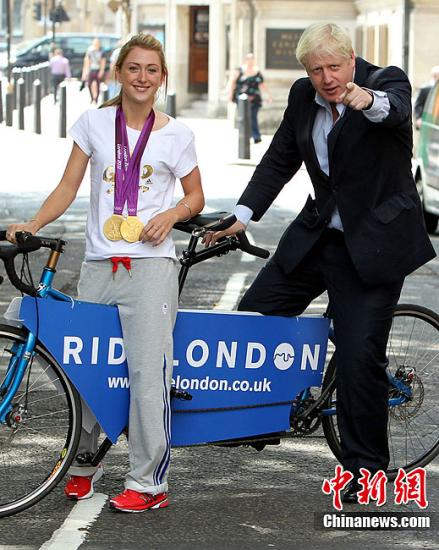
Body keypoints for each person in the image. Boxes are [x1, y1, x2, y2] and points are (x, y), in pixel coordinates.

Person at [206, 22, 435, 503]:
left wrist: (365, 101)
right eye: (316, 70)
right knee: (255, 316)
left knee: (358, 357)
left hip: (373, 245)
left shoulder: (386, 80)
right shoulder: (302, 95)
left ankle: (367, 472)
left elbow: (393, 113)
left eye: (334, 67)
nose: (327, 78)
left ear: (351, 59)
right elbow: (280, 157)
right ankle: (259, 420)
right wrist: (242, 217)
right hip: (319, 238)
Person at [6, 33, 204, 513]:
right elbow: (69, 184)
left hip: (151, 268)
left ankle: (148, 482)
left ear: (162, 78)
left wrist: (173, 215)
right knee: (84, 371)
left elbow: (195, 197)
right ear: (119, 73)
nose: (142, 77)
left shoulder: (177, 134)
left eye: (151, 70)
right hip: (99, 266)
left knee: (147, 372)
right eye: (133, 68)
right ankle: (82, 464)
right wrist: (33, 224)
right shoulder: (93, 123)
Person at [227, 53, 271, 143]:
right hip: (242, 99)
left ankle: (256, 136)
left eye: (252, 59)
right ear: (245, 60)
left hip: (255, 99)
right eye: (248, 59)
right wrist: (230, 95)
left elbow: (262, 85)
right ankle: (244, 136)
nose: (250, 61)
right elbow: (232, 83)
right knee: (243, 118)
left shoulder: (257, 72)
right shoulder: (239, 71)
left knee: (253, 117)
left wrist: (269, 95)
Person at [82, 38, 106, 104]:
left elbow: (103, 62)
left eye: (98, 43)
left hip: (98, 70)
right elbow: (87, 61)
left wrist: (101, 71)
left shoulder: (102, 52)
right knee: (89, 84)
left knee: (98, 85)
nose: (96, 44)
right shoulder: (90, 51)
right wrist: (86, 71)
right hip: (91, 70)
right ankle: (92, 98)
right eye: (95, 43)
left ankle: (96, 99)